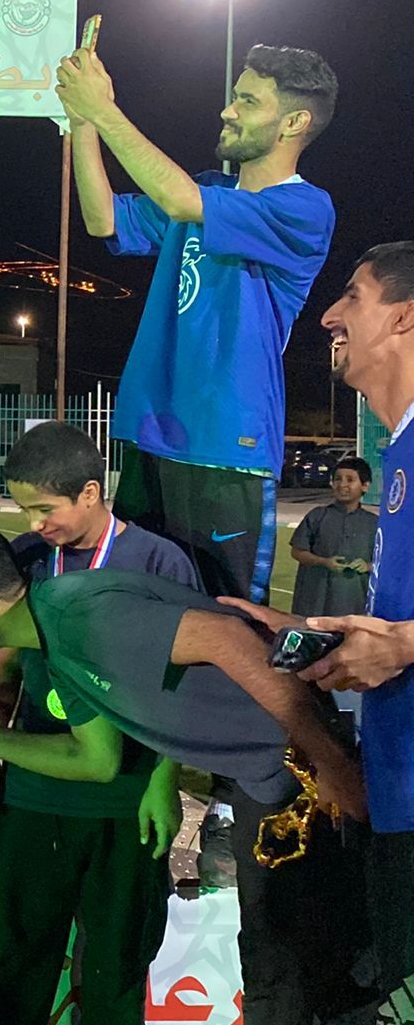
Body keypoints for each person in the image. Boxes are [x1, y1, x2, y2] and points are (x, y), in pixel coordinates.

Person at [57, 40, 339, 887]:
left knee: (231, 628)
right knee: (143, 616)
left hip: (226, 450)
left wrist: (106, 109)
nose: (228, 109)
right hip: (153, 435)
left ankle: (237, 805)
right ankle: (149, 775)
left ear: (293, 122)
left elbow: (177, 196)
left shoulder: (303, 207)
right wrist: (81, 123)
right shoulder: (204, 192)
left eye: (247, 101)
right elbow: (104, 221)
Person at [0, 522, 374, 1025]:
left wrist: (329, 763)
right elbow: (96, 761)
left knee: (324, 976)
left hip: (308, 780)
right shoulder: (56, 639)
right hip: (268, 784)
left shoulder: (78, 614)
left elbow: (225, 636)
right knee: (281, 970)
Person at [236, 241, 414, 995]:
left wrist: (404, 645)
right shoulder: (400, 451)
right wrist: (323, 632)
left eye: (353, 297)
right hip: (393, 793)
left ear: (403, 317)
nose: (328, 316)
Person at [0, 422, 197, 1024]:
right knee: (14, 968)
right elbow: (3, 658)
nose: (33, 524)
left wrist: (164, 779)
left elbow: (181, 682)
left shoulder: (159, 561)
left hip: (124, 798)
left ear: (92, 493)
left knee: (115, 972)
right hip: (34, 793)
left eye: (44, 509)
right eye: (24, 510)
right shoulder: (28, 558)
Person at [290, 456, 376, 618]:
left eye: (350, 480)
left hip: (355, 605)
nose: (342, 485)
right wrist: (323, 562)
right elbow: (297, 551)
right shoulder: (317, 516)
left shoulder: (374, 523)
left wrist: (368, 566)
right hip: (313, 603)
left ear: (365, 486)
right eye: (338, 479)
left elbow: (387, 563)